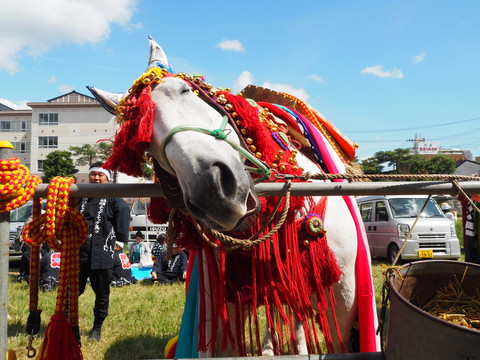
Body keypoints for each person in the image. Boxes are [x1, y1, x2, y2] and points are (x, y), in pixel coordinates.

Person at [78, 162, 130, 341]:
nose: (96, 179)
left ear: (107, 178)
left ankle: (97, 327)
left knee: (101, 292)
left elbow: (123, 210)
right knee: (71, 291)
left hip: (102, 251)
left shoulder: (113, 197)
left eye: (101, 175)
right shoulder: (80, 195)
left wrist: (121, 238)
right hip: (78, 251)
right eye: (93, 175)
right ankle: (70, 325)